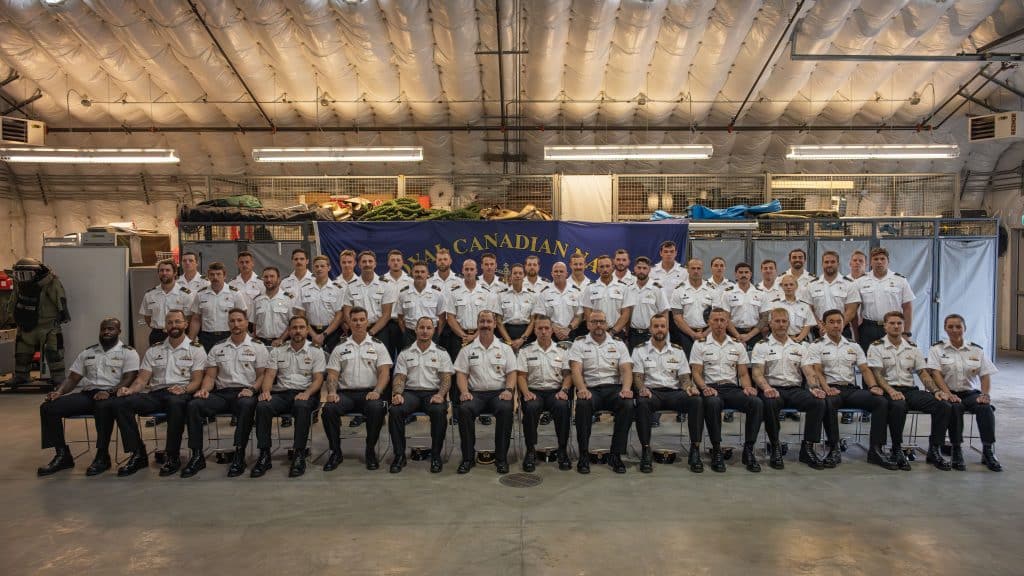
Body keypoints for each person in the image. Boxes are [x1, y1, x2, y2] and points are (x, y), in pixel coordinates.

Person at [36, 318, 139, 477]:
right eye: (103, 329)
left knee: (103, 406)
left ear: (119, 331)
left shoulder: (128, 352)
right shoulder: (88, 352)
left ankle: (102, 456)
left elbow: (129, 378)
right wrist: (59, 392)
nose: (106, 332)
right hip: (89, 394)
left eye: (111, 329)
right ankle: (62, 455)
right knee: (49, 407)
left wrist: (109, 392)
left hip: (113, 394)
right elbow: (73, 378)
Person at [111, 310, 205, 477]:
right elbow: (142, 379)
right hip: (156, 394)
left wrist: (183, 389)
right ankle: (138, 453)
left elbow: (197, 381)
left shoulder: (196, 349)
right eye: (170, 322)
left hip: (181, 393)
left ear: (185, 324)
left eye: (177, 321)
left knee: (175, 403)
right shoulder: (154, 350)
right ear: (164, 327)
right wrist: (130, 390)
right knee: (122, 403)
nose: (174, 325)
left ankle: (172, 456)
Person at [182, 309, 270, 478]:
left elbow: (262, 376)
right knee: (194, 405)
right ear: (228, 324)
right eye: (232, 321)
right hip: (222, 393)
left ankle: (239, 454)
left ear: (246, 323)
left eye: (239, 320)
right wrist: (204, 389)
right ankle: (197, 455)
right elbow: (210, 376)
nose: (236, 324)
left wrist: (252, 389)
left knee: (246, 405)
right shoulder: (218, 347)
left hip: (245, 392)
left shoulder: (258, 347)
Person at [806, 309, 897, 470]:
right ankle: (834, 448)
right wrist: (826, 388)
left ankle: (876, 450)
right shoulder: (816, 345)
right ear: (824, 325)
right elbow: (817, 371)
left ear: (844, 324)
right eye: (831, 322)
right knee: (828, 402)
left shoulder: (853, 345)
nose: (836, 325)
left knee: (880, 402)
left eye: (839, 322)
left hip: (850, 389)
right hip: (830, 388)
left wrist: (873, 386)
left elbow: (865, 369)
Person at [867, 311, 952, 471]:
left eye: (899, 323)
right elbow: (877, 374)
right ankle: (897, 449)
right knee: (898, 405)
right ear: (885, 326)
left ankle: (934, 450)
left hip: (910, 390)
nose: (896, 326)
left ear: (903, 326)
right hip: (888, 390)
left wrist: (935, 391)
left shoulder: (912, 348)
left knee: (943, 405)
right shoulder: (876, 346)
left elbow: (922, 373)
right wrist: (891, 391)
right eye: (892, 323)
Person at [750, 308, 827, 470]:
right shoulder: (761, 346)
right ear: (770, 324)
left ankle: (807, 448)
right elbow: (757, 373)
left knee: (818, 402)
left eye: (784, 321)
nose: (781, 324)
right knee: (770, 403)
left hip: (795, 390)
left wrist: (814, 387)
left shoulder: (800, 347)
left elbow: (809, 371)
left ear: (788, 323)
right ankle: (775, 446)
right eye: (777, 321)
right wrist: (766, 388)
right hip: (772, 388)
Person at [632, 313, 709, 473]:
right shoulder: (640, 350)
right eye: (656, 326)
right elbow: (637, 377)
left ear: (667, 328)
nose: (659, 329)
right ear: (650, 329)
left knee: (696, 400)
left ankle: (695, 450)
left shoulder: (677, 350)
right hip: (652, 393)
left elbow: (684, 377)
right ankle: (646, 450)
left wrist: (689, 387)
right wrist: (642, 389)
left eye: (663, 326)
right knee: (642, 402)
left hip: (674, 393)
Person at [689, 308, 763, 473]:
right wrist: (704, 388)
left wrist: (747, 387)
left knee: (756, 403)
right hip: (710, 387)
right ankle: (716, 449)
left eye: (722, 320)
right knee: (713, 403)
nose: (719, 324)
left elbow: (743, 374)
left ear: (728, 322)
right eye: (715, 320)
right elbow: (696, 373)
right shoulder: (700, 344)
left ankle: (748, 450)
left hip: (731, 388)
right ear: (709, 322)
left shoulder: (737, 345)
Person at [252, 315, 324, 478]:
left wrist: (307, 393)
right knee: (263, 406)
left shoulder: (316, 351)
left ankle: (299, 454)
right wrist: (266, 392)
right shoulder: (278, 350)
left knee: (302, 406)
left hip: (306, 393)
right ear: (289, 331)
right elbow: (269, 375)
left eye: (301, 327)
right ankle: (264, 454)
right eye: (294, 328)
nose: (298, 331)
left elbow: (318, 379)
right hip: (282, 394)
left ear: (307, 330)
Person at [927, 314, 1002, 472]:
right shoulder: (937, 349)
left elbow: (985, 375)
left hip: (969, 393)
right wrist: (948, 393)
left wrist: (985, 394)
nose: (954, 330)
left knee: (985, 408)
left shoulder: (976, 350)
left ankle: (988, 451)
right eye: (950, 327)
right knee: (955, 407)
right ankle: (956, 450)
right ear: (945, 329)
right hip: (947, 392)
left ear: (965, 328)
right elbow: (936, 374)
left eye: (958, 326)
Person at [321, 307, 392, 471]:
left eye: (361, 319)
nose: (358, 323)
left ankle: (370, 451)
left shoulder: (378, 345)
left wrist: (377, 391)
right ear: (349, 323)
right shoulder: (340, 347)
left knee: (376, 408)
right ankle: (335, 452)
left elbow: (384, 373)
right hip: (345, 394)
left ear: (367, 322)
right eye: (354, 320)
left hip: (370, 393)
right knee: (328, 410)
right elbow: (332, 374)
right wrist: (331, 392)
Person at [568, 310, 634, 474]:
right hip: (591, 389)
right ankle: (584, 455)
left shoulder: (618, 344)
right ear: (588, 325)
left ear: (607, 324)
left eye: (602, 322)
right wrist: (581, 389)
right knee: (583, 405)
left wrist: (626, 389)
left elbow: (626, 370)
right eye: (594, 322)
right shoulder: (579, 343)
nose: (598, 325)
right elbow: (575, 370)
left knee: (627, 404)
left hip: (613, 389)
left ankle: (615, 455)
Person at [453, 310, 517, 474]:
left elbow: (512, 373)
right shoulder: (467, 350)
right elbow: (461, 374)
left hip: (499, 393)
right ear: (477, 324)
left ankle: (501, 459)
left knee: (505, 409)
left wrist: (509, 390)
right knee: (464, 409)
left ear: (495, 324)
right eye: (482, 321)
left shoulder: (505, 348)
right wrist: (464, 391)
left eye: (489, 322)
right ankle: (467, 459)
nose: (485, 325)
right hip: (475, 394)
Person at [388, 316, 453, 474]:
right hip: (410, 393)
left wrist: (441, 395)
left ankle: (436, 456)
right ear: (415, 330)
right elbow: (400, 377)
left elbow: (446, 378)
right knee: (395, 410)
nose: (425, 331)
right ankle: (399, 456)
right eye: (421, 327)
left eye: (428, 328)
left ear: (434, 330)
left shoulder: (441, 353)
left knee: (439, 411)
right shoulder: (405, 352)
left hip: (432, 393)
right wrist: (397, 394)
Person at [517, 316, 573, 472]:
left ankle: (562, 450)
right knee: (530, 408)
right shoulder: (525, 351)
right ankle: (530, 451)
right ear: (534, 330)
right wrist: (526, 392)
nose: (543, 331)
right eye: (540, 328)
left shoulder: (562, 350)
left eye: (546, 328)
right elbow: (521, 376)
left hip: (556, 391)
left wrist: (564, 390)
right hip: (534, 391)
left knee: (562, 407)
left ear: (552, 330)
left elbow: (568, 375)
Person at [10, 257, 70, 388]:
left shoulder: (50, 282)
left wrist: (63, 314)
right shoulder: (19, 284)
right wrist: (13, 315)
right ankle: (21, 376)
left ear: (37, 273)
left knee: (54, 352)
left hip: (48, 326)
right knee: (22, 353)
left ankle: (59, 378)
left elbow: (60, 298)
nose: (22, 278)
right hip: (26, 324)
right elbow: (15, 299)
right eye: (18, 275)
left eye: (26, 275)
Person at [855, 247, 914, 352]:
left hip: (893, 327)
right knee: (869, 359)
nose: (879, 262)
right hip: (868, 328)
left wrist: (906, 333)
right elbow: (854, 309)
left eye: (882, 259)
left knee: (894, 358)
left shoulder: (900, 280)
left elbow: (907, 308)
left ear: (888, 262)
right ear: (870, 262)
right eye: (876, 259)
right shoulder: (860, 281)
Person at [344, 251, 397, 356]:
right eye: (364, 262)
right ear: (359, 265)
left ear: (375, 264)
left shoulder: (385, 285)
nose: (367, 264)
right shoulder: (351, 286)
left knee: (382, 360)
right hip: (356, 330)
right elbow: (346, 312)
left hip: (379, 330)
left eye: (370, 261)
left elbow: (386, 314)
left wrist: (371, 332)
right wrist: (356, 329)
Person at [188, 262, 249, 352]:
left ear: (224, 276)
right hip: (206, 337)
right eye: (212, 274)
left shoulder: (235, 294)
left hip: (228, 336)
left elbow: (243, 318)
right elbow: (196, 319)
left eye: (218, 274)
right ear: (208, 276)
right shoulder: (200, 294)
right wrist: (190, 340)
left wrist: (244, 339)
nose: (215, 277)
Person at [293, 255, 346, 354]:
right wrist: (314, 335)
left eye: (322, 266)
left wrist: (324, 335)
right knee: (309, 360)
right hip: (310, 331)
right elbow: (301, 314)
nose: (319, 269)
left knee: (332, 359)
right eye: (316, 266)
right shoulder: (304, 289)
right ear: (313, 268)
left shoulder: (338, 289)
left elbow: (339, 315)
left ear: (329, 268)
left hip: (332, 333)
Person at [444, 258, 491, 362]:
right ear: (462, 271)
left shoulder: (485, 293)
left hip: (481, 336)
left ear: (476, 271)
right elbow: (450, 317)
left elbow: (490, 319)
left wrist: (474, 336)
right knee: (458, 366)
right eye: (466, 269)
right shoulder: (454, 292)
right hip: (459, 338)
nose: (469, 272)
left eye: (471, 269)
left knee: (480, 366)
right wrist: (463, 335)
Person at [139, 259, 194, 346]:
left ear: (175, 273)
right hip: (157, 335)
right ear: (158, 273)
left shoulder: (185, 294)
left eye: (168, 270)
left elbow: (189, 317)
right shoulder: (150, 294)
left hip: (178, 334)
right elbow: (147, 317)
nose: (164, 273)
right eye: (161, 270)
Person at [805, 251, 860, 338]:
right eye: (826, 262)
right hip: (819, 331)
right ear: (822, 264)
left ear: (838, 264)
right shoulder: (811, 285)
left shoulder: (849, 284)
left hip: (843, 330)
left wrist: (837, 326)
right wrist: (821, 326)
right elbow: (808, 309)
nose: (829, 265)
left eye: (833, 262)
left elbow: (851, 311)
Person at [669, 258, 717, 355]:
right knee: (687, 362)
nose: (696, 271)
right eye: (693, 268)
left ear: (702, 270)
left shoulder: (712, 289)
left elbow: (717, 315)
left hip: (708, 333)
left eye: (698, 268)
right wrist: (692, 334)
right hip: (685, 335)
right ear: (687, 270)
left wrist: (705, 334)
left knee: (709, 361)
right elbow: (677, 317)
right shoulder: (679, 290)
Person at [581, 255, 632, 341]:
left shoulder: (623, 287)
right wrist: (596, 329)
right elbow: (587, 312)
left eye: (607, 266)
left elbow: (626, 314)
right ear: (597, 269)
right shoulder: (590, 287)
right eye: (601, 267)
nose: (605, 269)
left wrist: (613, 332)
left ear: (612, 267)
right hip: (596, 332)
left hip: (617, 332)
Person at [396, 262, 446, 350]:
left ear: (427, 274)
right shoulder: (403, 293)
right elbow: (400, 317)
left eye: (422, 272)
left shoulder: (437, 293)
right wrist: (405, 333)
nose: (419, 274)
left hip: (431, 334)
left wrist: (436, 335)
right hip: (410, 335)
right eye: (416, 272)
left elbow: (442, 317)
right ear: (412, 273)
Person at [623, 256, 668, 351]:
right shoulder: (629, 289)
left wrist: (664, 333)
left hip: (651, 334)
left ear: (649, 270)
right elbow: (627, 314)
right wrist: (626, 334)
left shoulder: (657, 288)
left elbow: (664, 312)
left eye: (644, 268)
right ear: (634, 269)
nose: (641, 271)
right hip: (633, 334)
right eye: (639, 268)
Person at [489, 263, 537, 352]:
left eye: (520, 273)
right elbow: (498, 321)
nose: (517, 276)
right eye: (515, 273)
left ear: (524, 276)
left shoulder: (532, 295)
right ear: (510, 276)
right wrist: (509, 341)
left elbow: (533, 320)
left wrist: (522, 339)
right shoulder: (501, 295)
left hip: (527, 335)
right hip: (506, 333)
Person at [532, 262, 583, 343]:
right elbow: (540, 316)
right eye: (556, 271)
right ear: (552, 274)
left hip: (571, 332)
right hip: (550, 333)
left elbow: (578, 316)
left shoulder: (576, 291)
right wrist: (554, 328)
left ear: (566, 274)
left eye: (561, 271)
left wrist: (568, 329)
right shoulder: (544, 293)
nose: (558, 274)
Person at [720, 262, 766, 349]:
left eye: (746, 272)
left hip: (754, 334)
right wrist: (738, 336)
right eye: (740, 272)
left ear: (750, 274)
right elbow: (725, 317)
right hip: (733, 333)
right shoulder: (727, 293)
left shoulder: (760, 293)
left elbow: (764, 318)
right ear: (736, 274)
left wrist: (749, 335)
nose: (743, 275)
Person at [761, 275, 814, 343]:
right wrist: (784, 339)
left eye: (791, 284)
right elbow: (771, 324)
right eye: (785, 285)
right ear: (782, 287)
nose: (788, 287)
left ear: (796, 286)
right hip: (779, 340)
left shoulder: (805, 305)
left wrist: (798, 339)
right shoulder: (774, 304)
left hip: (800, 340)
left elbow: (807, 325)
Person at [251, 267, 295, 347]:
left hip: (282, 343)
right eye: (266, 277)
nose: (269, 280)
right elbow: (254, 324)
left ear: (278, 279)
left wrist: (281, 339)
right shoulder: (257, 300)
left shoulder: (288, 299)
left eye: (272, 276)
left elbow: (293, 323)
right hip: (261, 344)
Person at [384, 249, 413, 359]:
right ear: (388, 263)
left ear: (402, 262)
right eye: (392, 260)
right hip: (387, 324)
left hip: (405, 324)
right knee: (387, 357)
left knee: (406, 356)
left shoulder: (411, 281)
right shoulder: (381, 281)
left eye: (398, 260)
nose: (395, 262)